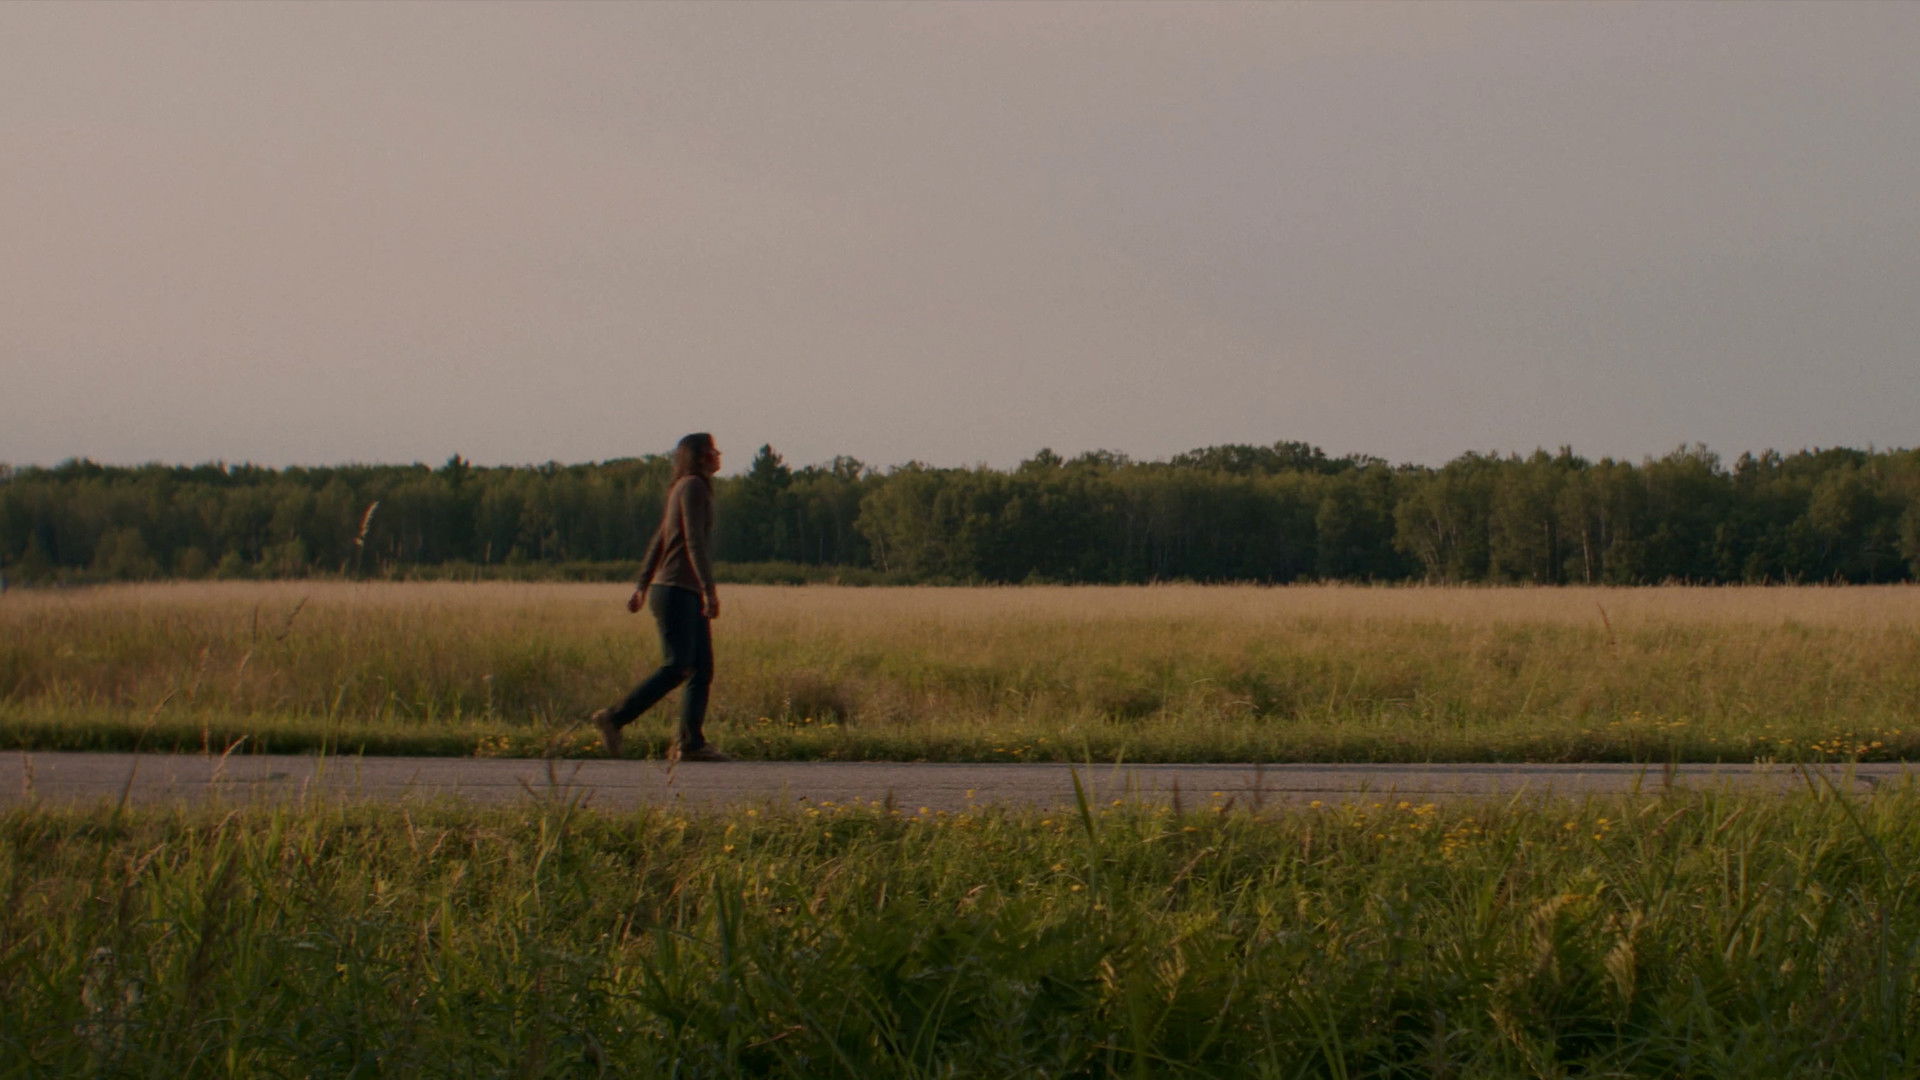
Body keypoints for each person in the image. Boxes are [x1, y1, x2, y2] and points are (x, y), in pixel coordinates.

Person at [592, 433, 731, 762]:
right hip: (677, 591)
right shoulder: (693, 486)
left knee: (700, 668)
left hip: (678, 590)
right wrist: (709, 590)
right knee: (678, 665)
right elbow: (693, 540)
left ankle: (691, 743)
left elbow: (660, 538)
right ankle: (614, 718)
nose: (718, 455)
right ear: (700, 456)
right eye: (713, 450)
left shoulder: (683, 487)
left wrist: (642, 584)